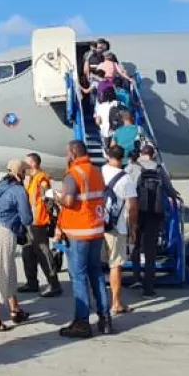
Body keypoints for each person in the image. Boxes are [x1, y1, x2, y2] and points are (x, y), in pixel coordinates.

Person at [56, 140, 111, 338]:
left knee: (78, 277)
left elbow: (69, 201)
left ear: (72, 153)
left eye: (66, 153)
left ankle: (82, 323)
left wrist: (56, 196)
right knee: (96, 274)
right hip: (96, 230)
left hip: (78, 233)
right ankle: (105, 320)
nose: (65, 157)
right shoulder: (96, 171)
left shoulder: (74, 175)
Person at [0, 159, 32, 332]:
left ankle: (15, 309)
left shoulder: (1, 185)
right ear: (20, 173)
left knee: (9, 271)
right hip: (6, 232)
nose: (26, 174)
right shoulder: (18, 190)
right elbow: (27, 218)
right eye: (24, 172)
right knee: (0, 273)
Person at [126, 143, 180, 298]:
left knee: (135, 244)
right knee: (150, 250)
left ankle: (136, 277)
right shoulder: (159, 168)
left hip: (137, 212)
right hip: (155, 213)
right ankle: (148, 288)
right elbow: (169, 189)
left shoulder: (132, 167)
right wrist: (175, 197)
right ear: (153, 154)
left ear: (141, 154)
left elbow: (124, 187)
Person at [100, 145, 137, 318]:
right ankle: (116, 303)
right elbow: (133, 207)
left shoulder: (100, 172)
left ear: (108, 155)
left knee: (96, 265)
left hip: (98, 224)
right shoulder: (126, 179)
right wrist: (133, 229)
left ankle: (99, 301)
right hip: (117, 227)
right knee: (115, 265)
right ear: (123, 158)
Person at [18, 153, 62, 297]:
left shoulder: (42, 178)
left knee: (43, 253)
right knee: (27, 252)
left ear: (34, 163)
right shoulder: (31, 178)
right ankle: (32, 283)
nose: (24, 165)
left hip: (39, 222)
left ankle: (54, 284)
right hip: (30, 222)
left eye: (27, 162)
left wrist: (49, 220)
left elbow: (48, 200)